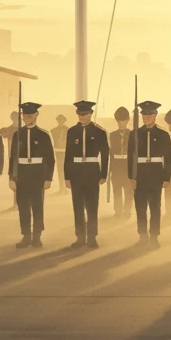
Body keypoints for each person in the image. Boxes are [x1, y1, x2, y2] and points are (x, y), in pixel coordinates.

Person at [8, 101, 54, 249]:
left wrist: (48, 178)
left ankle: (37, 236)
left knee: (37, 206)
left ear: (36, 115)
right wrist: (12, 178)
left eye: (31, 114)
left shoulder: (43, 135)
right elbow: (13, 158)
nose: (28, 117)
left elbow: (50, 158)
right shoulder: (17, 134)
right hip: (22, 174)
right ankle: (26, 236)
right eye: (25, 115)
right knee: (23, 206)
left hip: (37, 174)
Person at [63, 100, 109, 249]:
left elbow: (105, 154)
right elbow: (68, 155)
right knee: (78, 206)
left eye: (86, 114)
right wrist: (67, 176)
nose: (83, 117)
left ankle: (92, 237)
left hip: (92, 171)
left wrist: (103, 174)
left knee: (92, 206)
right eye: (80, 114)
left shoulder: (99, 131)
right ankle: (80, 237)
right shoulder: (72, 131)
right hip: (76, 171)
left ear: (91, 114)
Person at [129, 100, 171, 248]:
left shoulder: (163, 134)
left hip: (155, 175)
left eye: (150, 114)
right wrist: (132, 177)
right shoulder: (135, 134)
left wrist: (166, 176)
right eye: (144, 114)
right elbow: (131, 157)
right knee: (140, 207)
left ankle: (154, 236)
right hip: (140, 175)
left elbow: (168, 157)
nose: (146, 117)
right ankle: (142, 236)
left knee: (155, 207)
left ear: (155, 115)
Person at [109, 107, 133, 219]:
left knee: (129, 190)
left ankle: (127, 210)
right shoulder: (112, 135)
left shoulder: (133, 135)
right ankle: (118, 211)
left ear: (128, 120)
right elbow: (110, 154)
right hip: (116, 166)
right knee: (117, 190)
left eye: (123, 120)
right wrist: (109, 170)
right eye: (118, 121)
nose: (120, 123)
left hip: (128, 166)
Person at [52, 114, 69, 194]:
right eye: (59, 120)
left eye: (62, 120)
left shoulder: (69, 130)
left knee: (65, 170)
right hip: (58, 152)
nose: (60, 122)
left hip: (67, 152)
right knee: (60, 170)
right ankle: (61, 188)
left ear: (64, 121)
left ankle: (65, 189)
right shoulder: (53, 131)